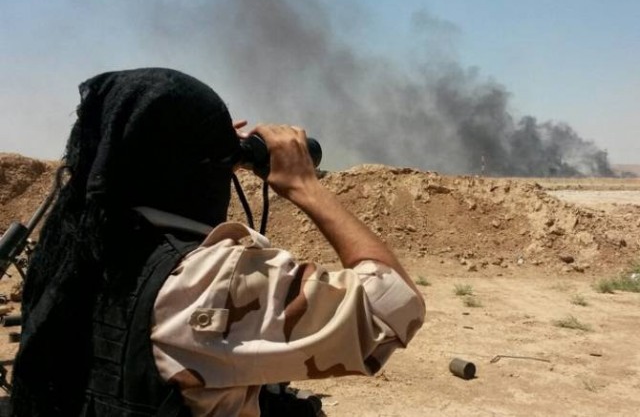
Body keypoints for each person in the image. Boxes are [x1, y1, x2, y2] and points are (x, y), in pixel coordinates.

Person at [10, 68, 425, 417]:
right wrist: (305, 186)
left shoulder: (73, 251)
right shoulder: (203, 281)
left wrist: (194, 149)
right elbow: (391, 306)